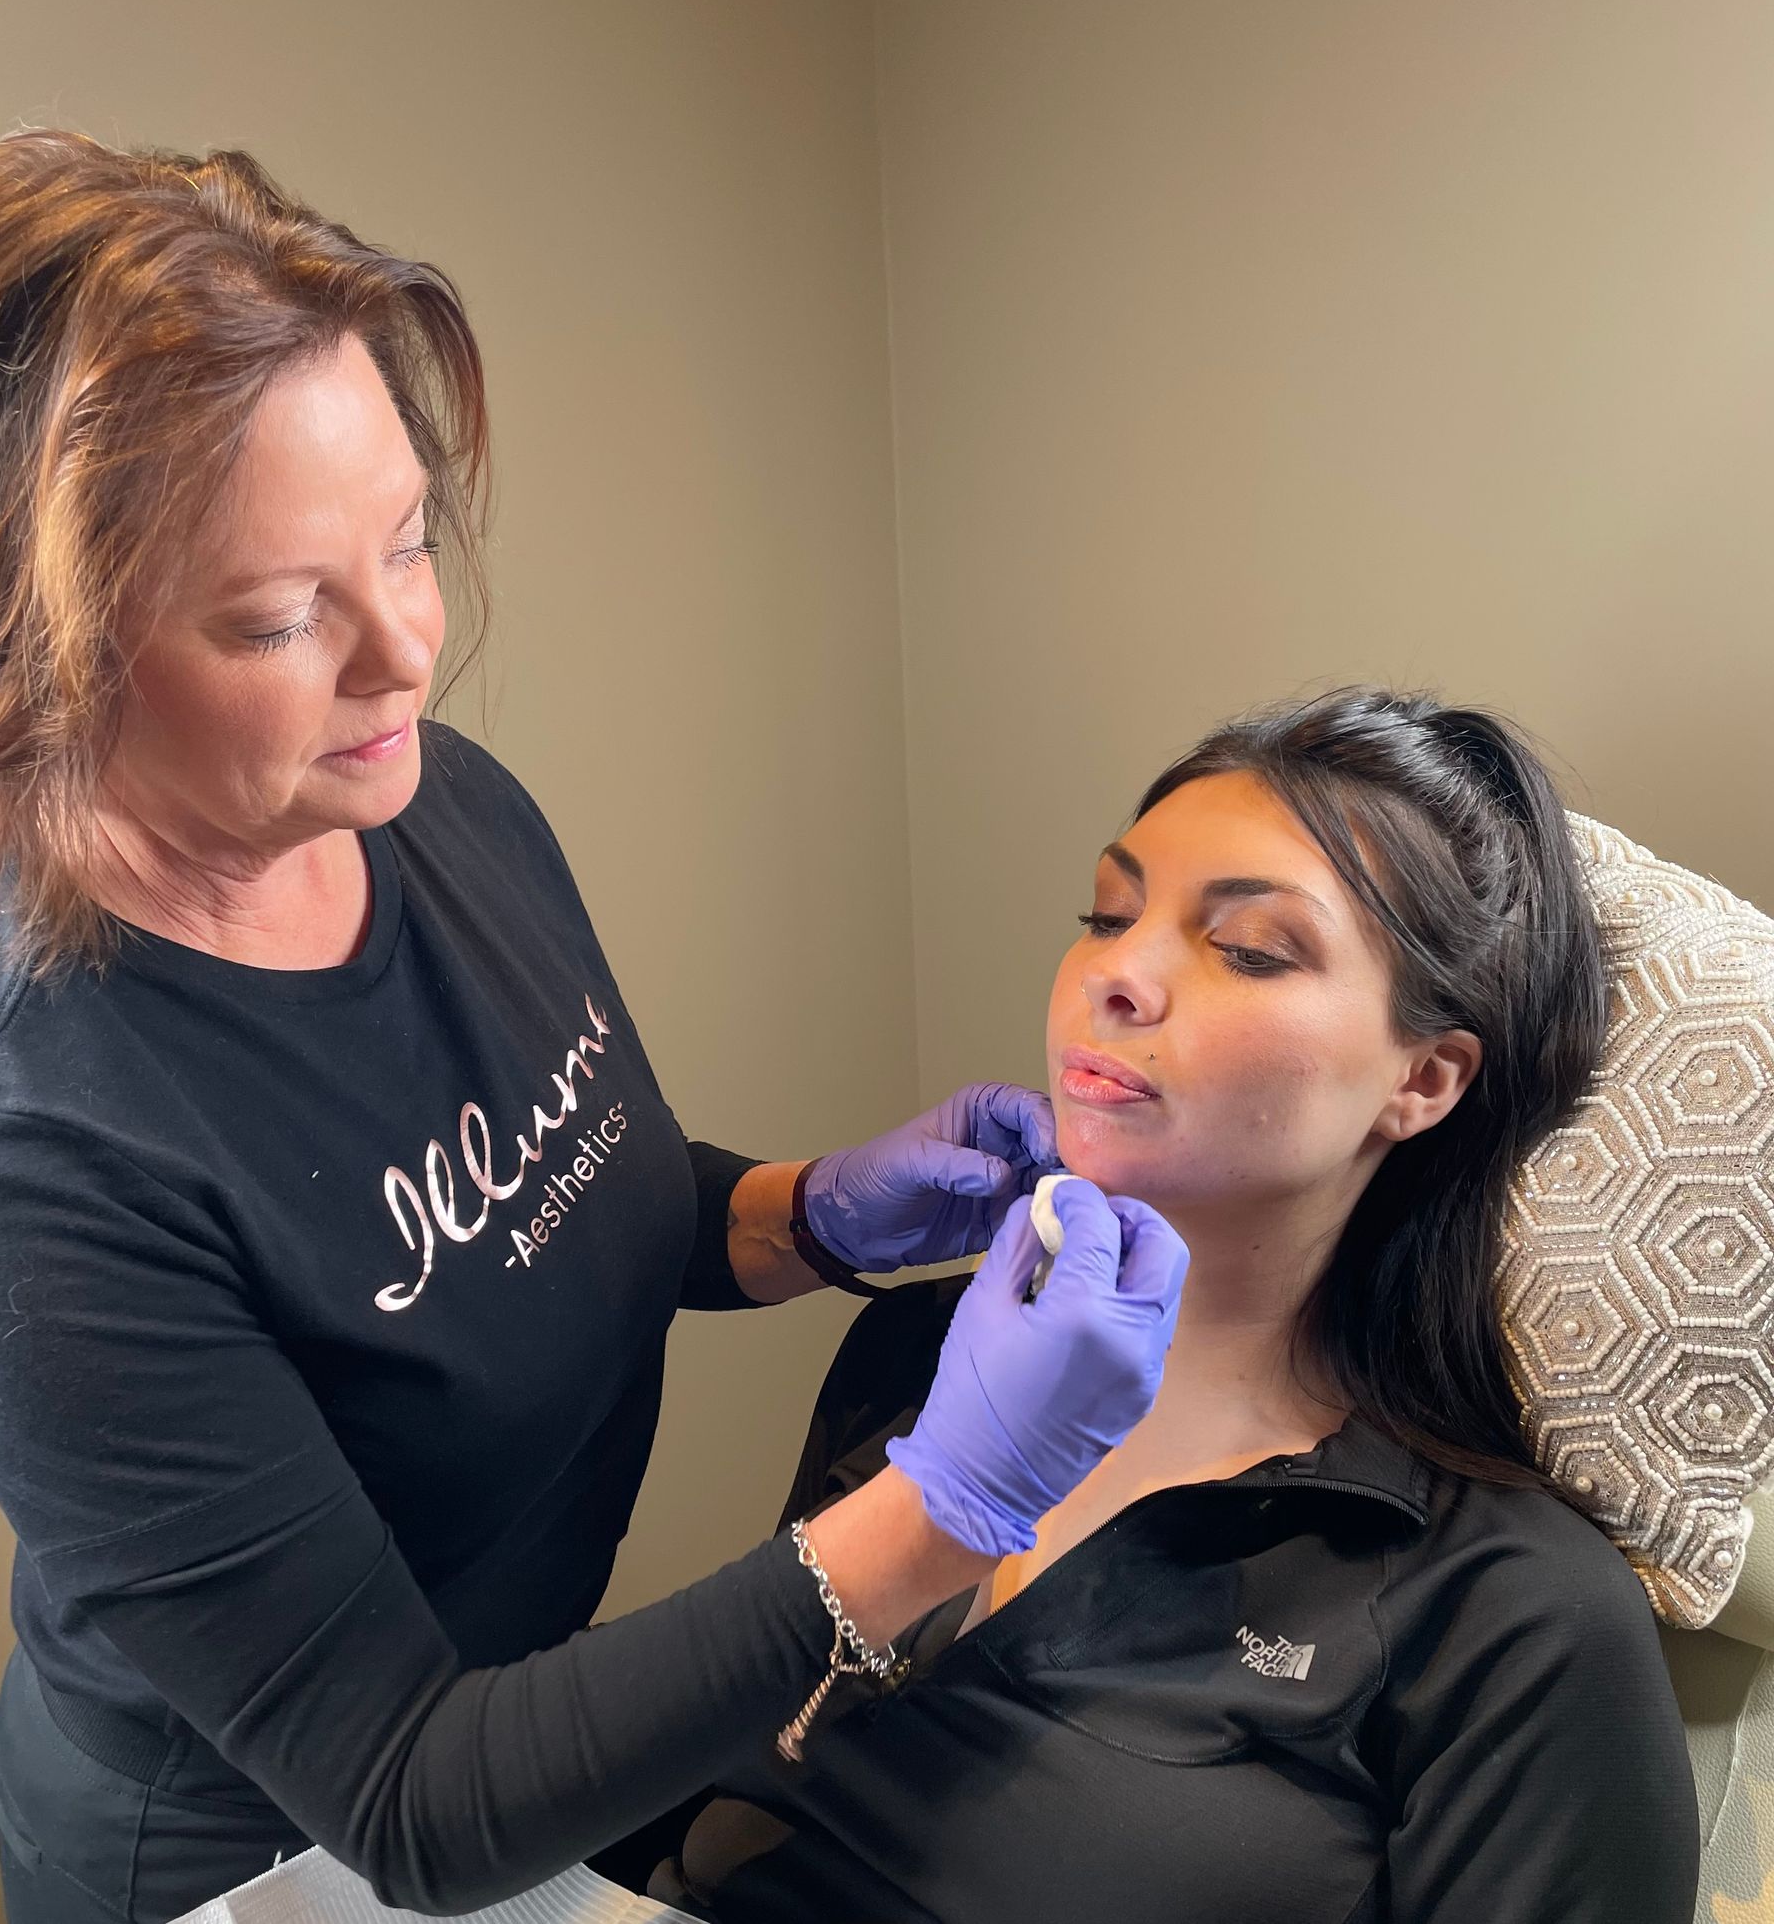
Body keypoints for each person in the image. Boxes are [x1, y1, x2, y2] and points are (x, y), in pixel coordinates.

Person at [0, 131, 1187, 1924]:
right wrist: (953, 1496)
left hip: (524, 1761)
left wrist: (791, 1214)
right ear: (31, 663)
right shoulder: (16, 1161)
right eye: (276, 615)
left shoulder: (431, 801)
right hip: (269, 1864)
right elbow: (411, 1797)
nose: (408, 648)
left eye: (405, 540)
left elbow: (538, 1206)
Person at [660, 690, 1702, 1923]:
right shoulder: (916, 1348)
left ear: (1422, 1079)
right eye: (1108, 913)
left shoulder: (1512, 1618)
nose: (1119, 972)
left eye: (1252, 947)